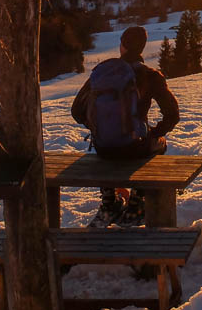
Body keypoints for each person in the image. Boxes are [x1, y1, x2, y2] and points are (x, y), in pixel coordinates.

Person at [71, 25, 180, 227]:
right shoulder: (150, 75)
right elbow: (173, 114)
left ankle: (109, 203)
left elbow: (76, 110)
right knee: (160, 144)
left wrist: (99, 128)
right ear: (142, 47)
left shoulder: (103, 73)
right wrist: (154, 133)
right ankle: (137, 203)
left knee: (108, 147)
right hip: (136, 148)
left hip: (104, 148)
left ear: (122, 46)